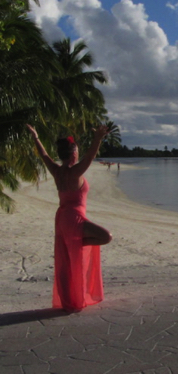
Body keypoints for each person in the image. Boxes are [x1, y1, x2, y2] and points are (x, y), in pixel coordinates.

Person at [26, 124, 113, 312]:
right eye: (77, 151)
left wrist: (36, 137)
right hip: (74, 218)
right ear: (74, 154)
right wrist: (97, 138)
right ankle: (79, 244)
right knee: (106, 237)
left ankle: (67, 301)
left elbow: (44, 155)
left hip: (62, 219)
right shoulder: (75, 172)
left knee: (65, 259)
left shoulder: (56, 171)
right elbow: (90, 156)